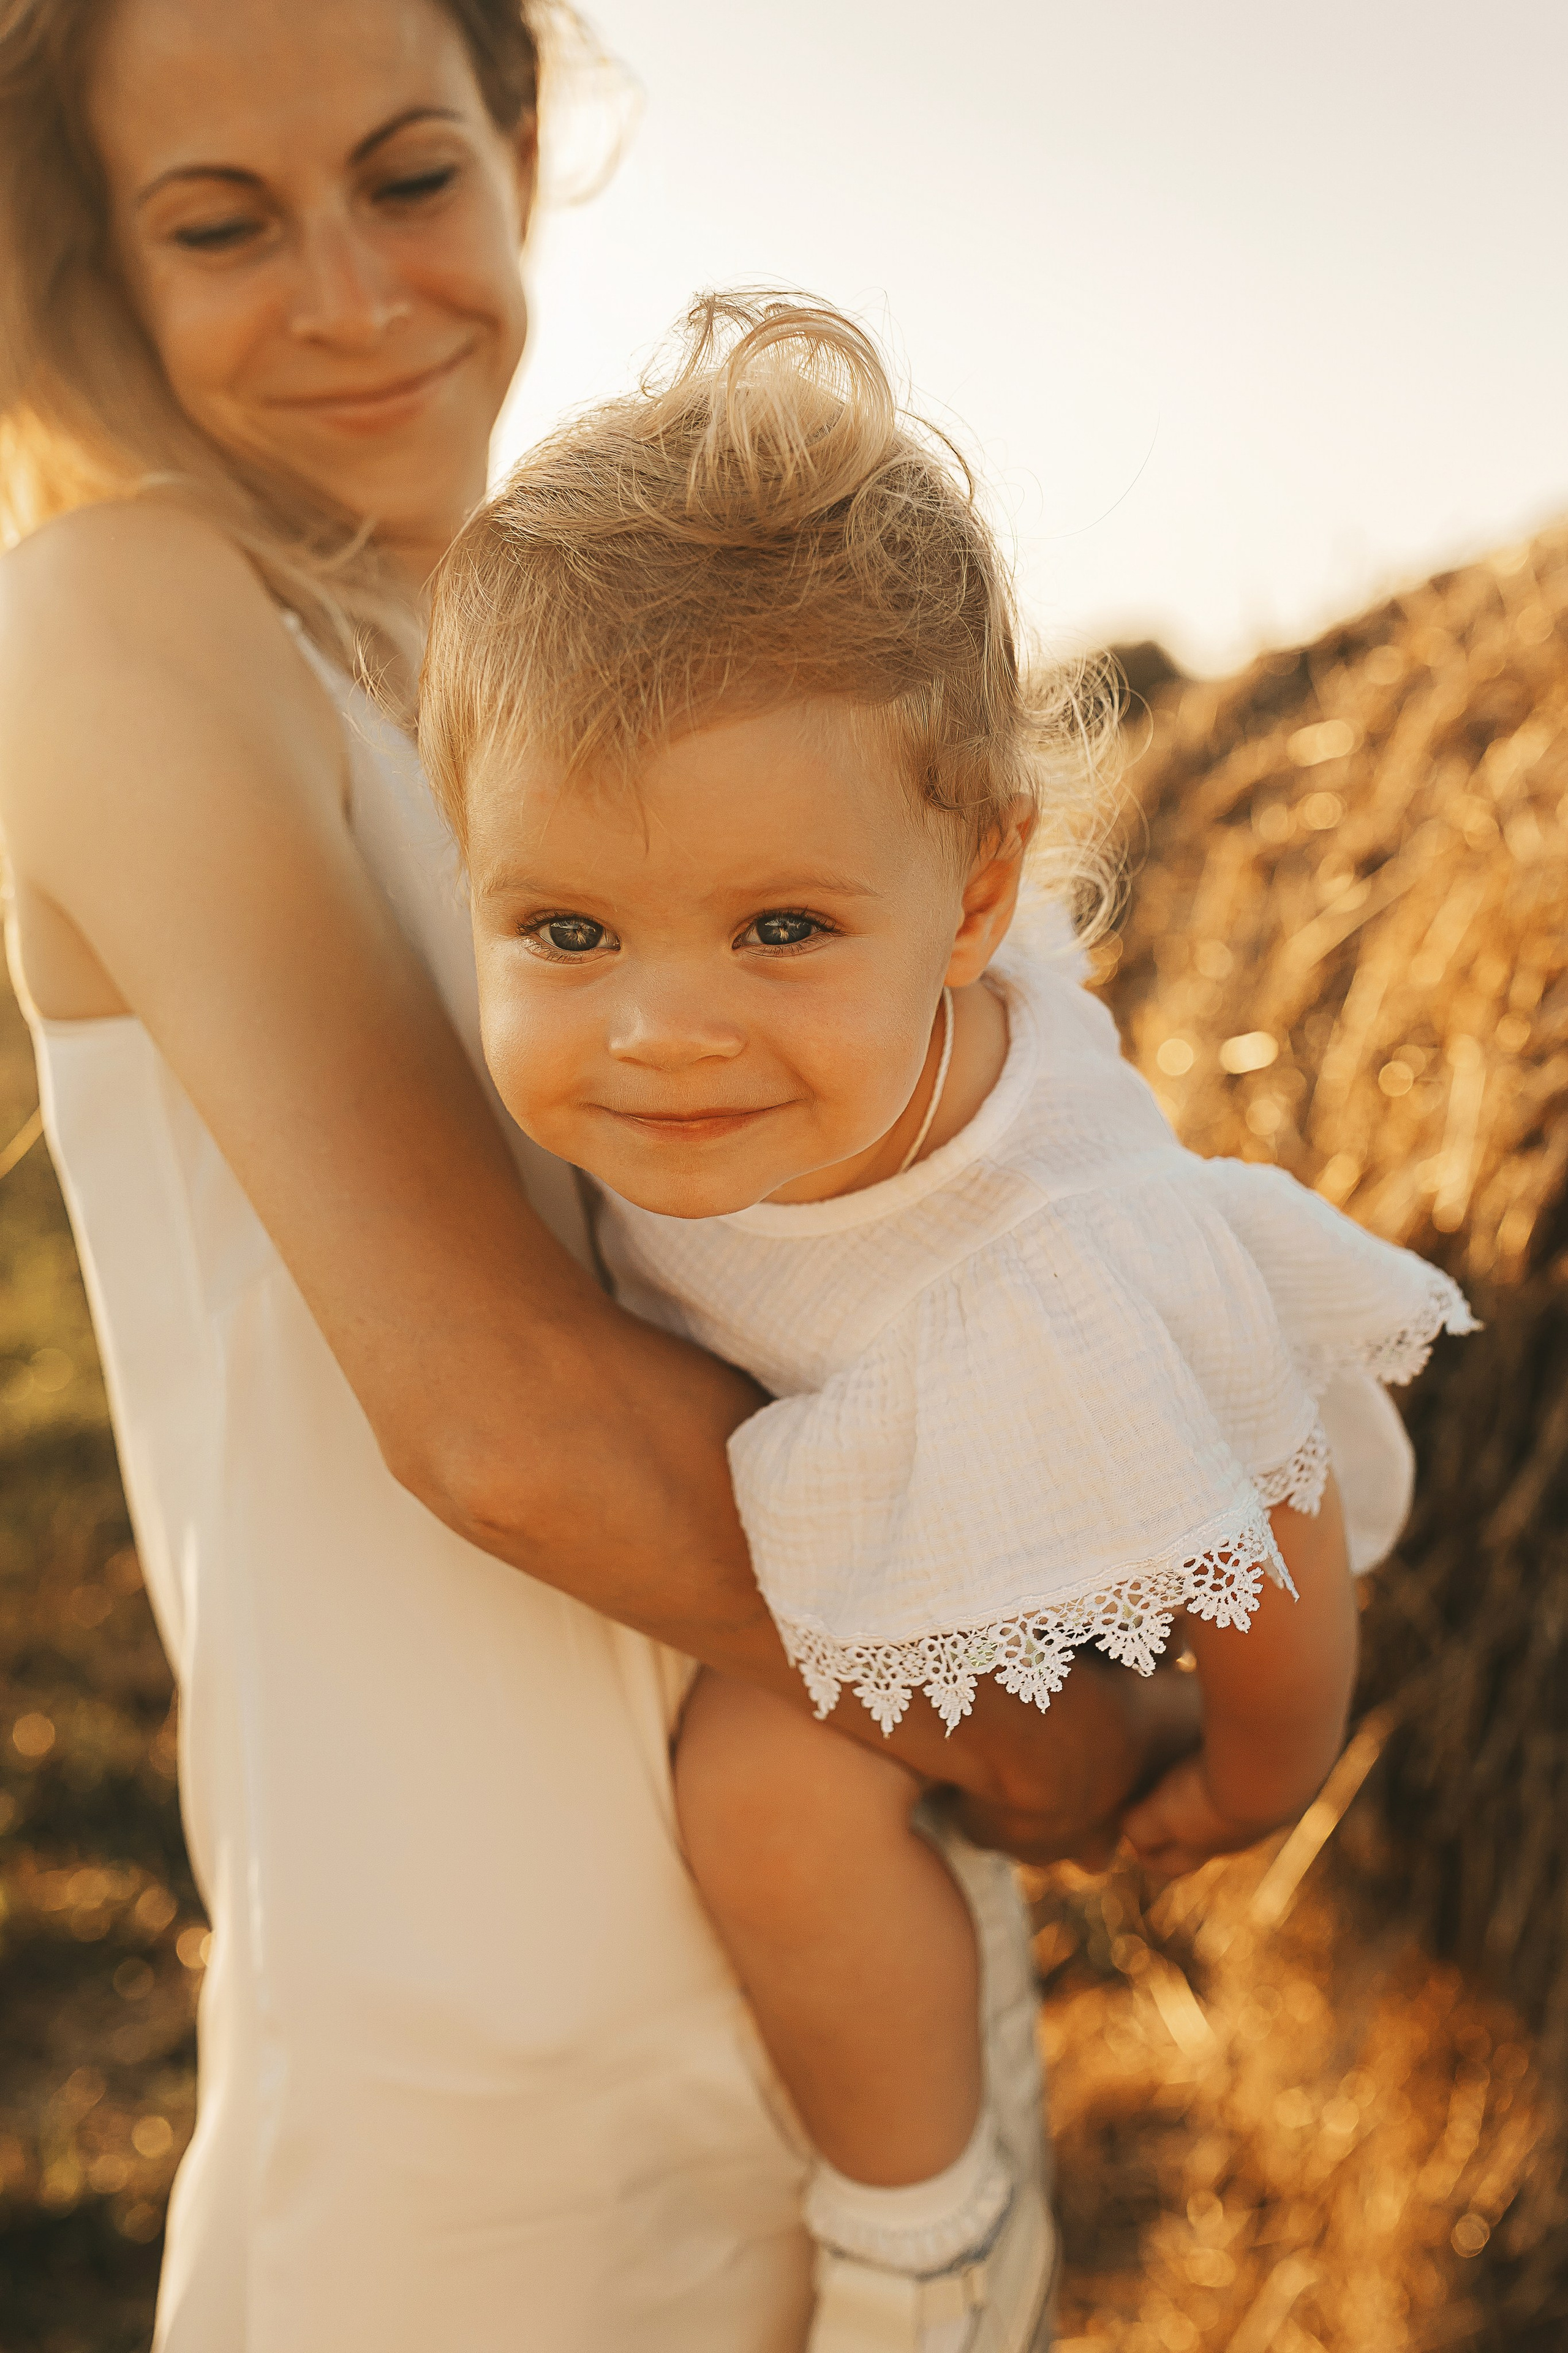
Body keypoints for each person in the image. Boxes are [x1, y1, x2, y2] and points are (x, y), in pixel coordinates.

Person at [0, 10, 1194, 2351]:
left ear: (522, 141)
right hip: (495, 2064)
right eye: (222, 224)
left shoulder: (628, 648)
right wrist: (1045, 1722)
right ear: (95, 259)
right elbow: (504, 1418)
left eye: (411, 179)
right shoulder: (112, 619)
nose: (351, 292)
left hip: (865, 1963)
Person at [418, 293, 1478, 2353]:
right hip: (892, 1400)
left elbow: (1269, 1522)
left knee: (764, 1776)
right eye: (564, 928)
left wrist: (1256, 1768)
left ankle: (928, 2229)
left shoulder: (1051, 1248)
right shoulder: (747, 1043)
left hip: (1135, 1538)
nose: (658, 1032)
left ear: (976, 899)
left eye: (780, 930)